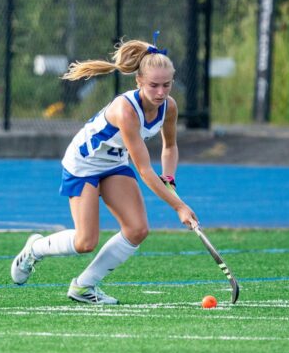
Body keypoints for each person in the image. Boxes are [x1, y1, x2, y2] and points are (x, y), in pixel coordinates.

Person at [11, 34, 198, 305]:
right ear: (139, 81)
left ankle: (84, 286)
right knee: (85, 242)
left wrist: (169, 178)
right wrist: (179, 206)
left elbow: (169, 146)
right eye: (154, 85)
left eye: (166, 85)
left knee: (137, 230)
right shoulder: (126, 111)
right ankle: (34, 249)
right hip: (83, 164)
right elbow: (145, 170)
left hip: (114, 164)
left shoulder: (169, 107)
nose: (160, 92)